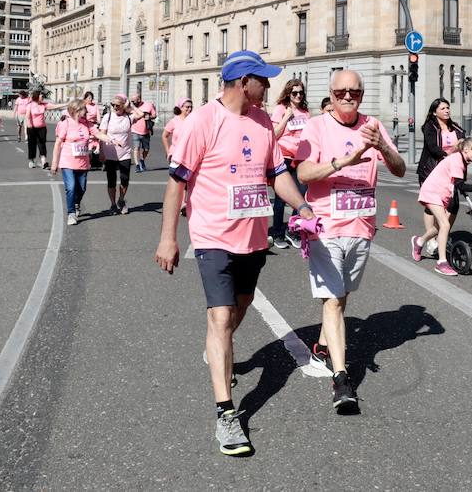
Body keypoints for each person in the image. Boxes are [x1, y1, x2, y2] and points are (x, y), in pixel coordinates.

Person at [154, 50, 313, 457]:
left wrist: (303, 207)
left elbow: (277, 174)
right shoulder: (201, 122)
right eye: (264, 79)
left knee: (238, 310)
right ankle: (227, 413)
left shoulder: (262, 122)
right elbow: (176, 183)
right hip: (212, 238)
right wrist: (168, 238)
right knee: (221, 317)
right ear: (244, 82)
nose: (269, 86)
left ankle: (216, 348)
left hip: (254, 238)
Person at [294, 69, 405, 412]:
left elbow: (400, 169)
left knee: (340, 298)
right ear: (331, 93)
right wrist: (346, 160)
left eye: (354, 92)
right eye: (341, 91)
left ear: (361, 94)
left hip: (361, 227)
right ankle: (342, 379)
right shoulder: (316, 126)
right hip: (325, 227)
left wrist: (381, 145)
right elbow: (302, 172)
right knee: (332, 300)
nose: (347, 97)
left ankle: (323, 345)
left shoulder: (372, 124)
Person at [415, 137, 472, 275]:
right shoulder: (456, 161)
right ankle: (441, 263)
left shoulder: (462, 158)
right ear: (466, 149)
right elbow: (460, 185)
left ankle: (419, 241)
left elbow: (470, 162)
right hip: (432, 192)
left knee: (439, 227)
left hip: (441, 193)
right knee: (445, 225)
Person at [270, 79, 311, 250]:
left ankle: (292, 231)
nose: (298, 96)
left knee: (301, 196)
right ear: (288, 93)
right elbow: (273, 134)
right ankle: (278, 233)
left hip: (300, 158)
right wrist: (286, 117)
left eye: (301, 93)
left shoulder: (305, 112)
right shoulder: (280, 109)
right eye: (295, 93)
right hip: (284, 157)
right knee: (281, 199)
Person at [52, 100, 102, 225]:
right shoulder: (65, 124)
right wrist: (54, 163)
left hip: (83, 162)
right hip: (67, 161)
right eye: (84, 109)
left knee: (82, 188)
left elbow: (99, 133)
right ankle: (71, 214)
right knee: (71, 187)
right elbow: (58, 143)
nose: (87, 111)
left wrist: (111, 139)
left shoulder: (87, 124)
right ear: (76, 110)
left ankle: (76, 204)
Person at [100, 94, 146, 214]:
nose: (115, 107)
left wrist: (130, 106)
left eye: (117, 105)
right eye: (113, 105)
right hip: (109, 153)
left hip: (125, 154)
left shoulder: (128, 117)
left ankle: (121, 200)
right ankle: (113, 204)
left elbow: (141, 114)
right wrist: (101, 151)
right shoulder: (108, 117)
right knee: (111, 181)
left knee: (125, 179)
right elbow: (102, 135)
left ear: (123, 106)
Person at [132, 95, 157, 171]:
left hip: (146, 131)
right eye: (131, 101)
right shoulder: (131, 107)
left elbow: (154, 115)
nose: (132, 102)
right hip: (134, 130)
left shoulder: (148, 105)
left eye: (134, 101)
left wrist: (149, 117)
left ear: (139, 99)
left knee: (146, 149)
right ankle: (137, 165)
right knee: (136, 148)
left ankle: (142, 160)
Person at [25, 90, 50, 169]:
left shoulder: (43, 105)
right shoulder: (30, 105)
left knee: (42, 144)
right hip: (32, 128)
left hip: (42, 128)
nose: (42, 97)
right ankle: (31, 161)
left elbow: (54, 106)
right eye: (41, 96)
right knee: (32, 145)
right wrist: (29, 125)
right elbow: (28, 116)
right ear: (37, 96)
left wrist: (67, 104)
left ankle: (44, 161)